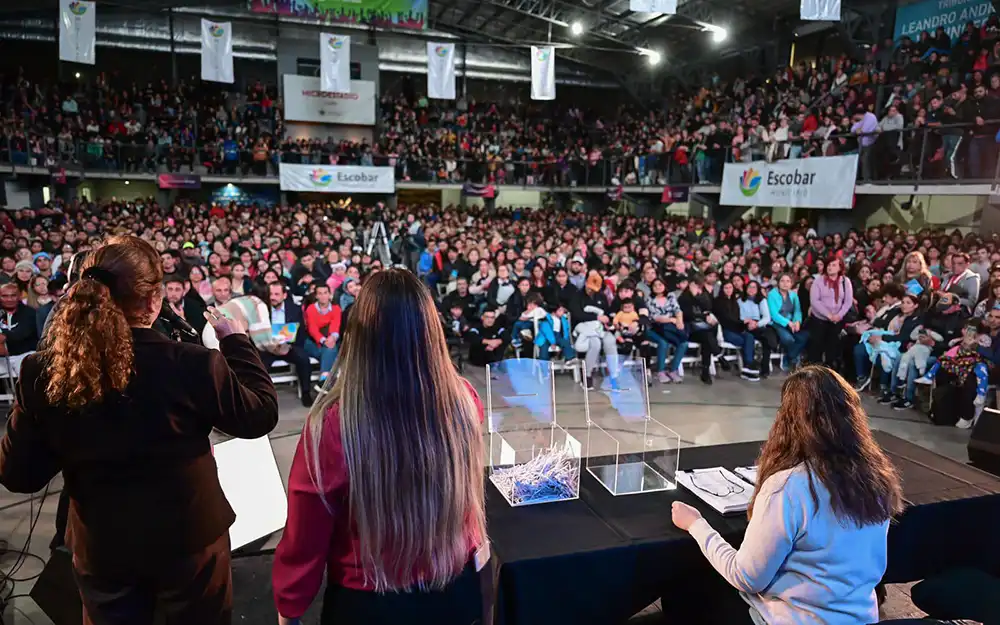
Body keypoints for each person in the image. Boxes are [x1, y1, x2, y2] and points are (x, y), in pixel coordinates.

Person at [0, 235, 280, 625]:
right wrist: (237, 343)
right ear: (154, 300)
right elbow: (260, 415)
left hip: (102, 547)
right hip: (190, 544)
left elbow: (20, 475)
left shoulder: (44, 371)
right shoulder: (193, 364)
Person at [272, 269, 489, 625]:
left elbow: (306, 534)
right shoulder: (465, 400)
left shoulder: (334, 426)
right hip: (454, 589)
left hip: (371, 601)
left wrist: (290, 607)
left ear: (359, 336)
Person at [671, 366, 903, 625]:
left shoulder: (788, 487)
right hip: (860, 616)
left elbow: (746, 577)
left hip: (795, 619)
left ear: (789, 419)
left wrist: (696, 525)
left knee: (686, 595)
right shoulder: (877, 476)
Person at [262, 281, 314, 406]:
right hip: (269, 347)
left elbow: (300, 332)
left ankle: (306, 392)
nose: (272, 297)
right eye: (270, 294)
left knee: (303, 359)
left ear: (284, 295)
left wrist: (289, 345)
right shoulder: (262, 309)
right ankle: (262, 396)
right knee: (259, 363)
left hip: (289, 346)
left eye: (276, 294)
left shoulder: (294, 309)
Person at [807, 257, 853, 366]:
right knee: (816, 349)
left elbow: (848, 301)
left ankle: (830, 371)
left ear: (840, 268)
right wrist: (829, 315)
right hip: (819, 320)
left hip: (837, 320)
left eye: (833, 265)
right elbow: (815, 301)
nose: (830, 268)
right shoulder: (818, 281)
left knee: (832, 350)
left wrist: (839, 315)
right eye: (828, 265)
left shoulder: (845, 281)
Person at [678, 277, 722, 385]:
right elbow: (687, 315)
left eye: (699, 287)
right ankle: (718, 355)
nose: (697, 288)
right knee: (708, 336)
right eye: (694, 286)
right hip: (689, 329)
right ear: (690, 285)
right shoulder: (683, 298)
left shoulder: (701, 296)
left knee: (708, 337)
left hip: (702, 328)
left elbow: (707, 308)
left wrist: (700, 297)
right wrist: (703, 314)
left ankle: (706, 371)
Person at [645, 277, 687, 384]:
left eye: (660, 284)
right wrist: (672, 319)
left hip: (669, 327)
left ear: (664, 286)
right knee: (663, 343)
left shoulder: (671, 296)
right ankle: (661, 371)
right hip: (655, 328)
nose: (658, 287)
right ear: (652, 288)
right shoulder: (649, 299)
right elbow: (655, 317)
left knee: (684, 343)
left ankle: (673, 370)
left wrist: (679, 321)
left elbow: (678, 310)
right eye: (655, 285)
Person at [766, 273, 809, 370]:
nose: (785, 283)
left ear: (791, 283)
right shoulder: (772, 294)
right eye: (782, 281)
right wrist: (788, 323)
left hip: (791, 322)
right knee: (788, 339)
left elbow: (797, 311)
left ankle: (788, 357)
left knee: (804, 336)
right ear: (778, 283)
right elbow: (774, 314)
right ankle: (793, 359)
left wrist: (797, 322)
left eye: (788, 281)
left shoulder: (793, 295)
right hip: (777, 323)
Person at [303, 284, 342, 387]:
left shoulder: (336, 308)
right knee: (331, 351)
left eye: (325, 293)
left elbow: (335, 326)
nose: (323, 296)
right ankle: (327, 383)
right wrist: (324, 341)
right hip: (312, 342)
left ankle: (324, 380)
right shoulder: (311, 309)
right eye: (320, 293)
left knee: (330, 349)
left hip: (330, 341)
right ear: (316, 296)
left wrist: (332, 338)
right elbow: (312, 329)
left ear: (330, 294)